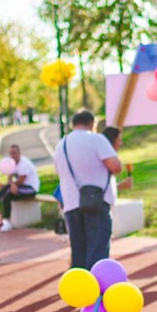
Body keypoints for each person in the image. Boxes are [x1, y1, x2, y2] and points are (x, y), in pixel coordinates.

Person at [53, 110, 122, 270]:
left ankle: (79, 290)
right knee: (97, 249)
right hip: (96, 202)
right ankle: (95, 289)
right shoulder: (97, 139)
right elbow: (115, 166)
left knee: (78, 250)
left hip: (71, 203)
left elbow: (58, 171)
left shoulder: (61, 144)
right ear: (92, 123)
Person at [0, 145, 40, 232]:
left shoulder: (24, 164)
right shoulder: (12, 163)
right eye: (11, 153)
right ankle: (6, 221)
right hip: (21, 187)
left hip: (31, 189)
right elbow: (10, 178)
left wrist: (9, 185)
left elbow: (21, 180)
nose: (12, 155)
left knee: (7, 190)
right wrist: (8, 184)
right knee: (6, 196)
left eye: (14, 153)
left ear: (19, 153)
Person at [102, 126, 133, 192]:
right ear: (112, 141)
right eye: (119, 140)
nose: (120, 143)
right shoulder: (103, 159)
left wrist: (120, 186)